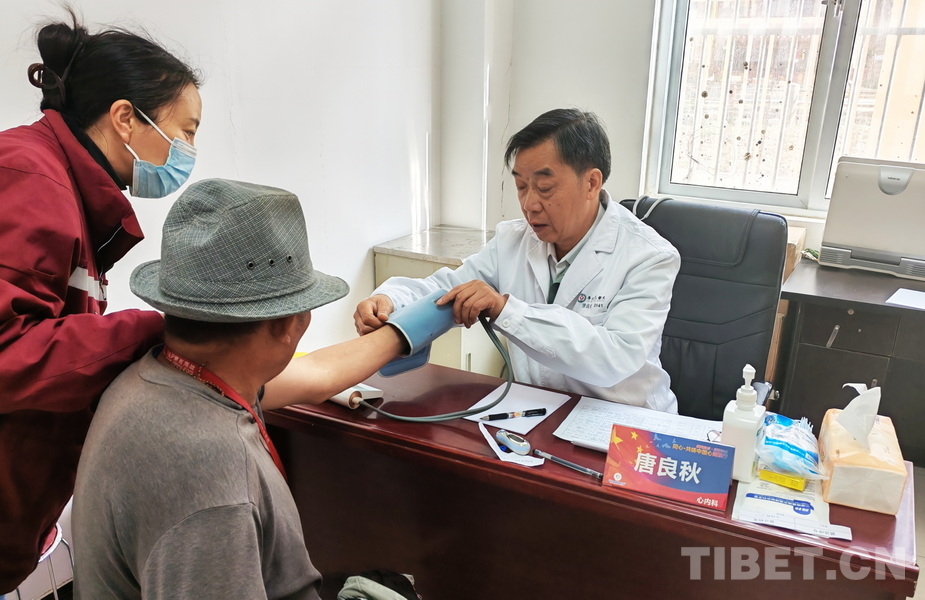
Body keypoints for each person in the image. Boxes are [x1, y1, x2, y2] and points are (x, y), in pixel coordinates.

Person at [72, 179, 409, 599]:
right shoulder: (213, 472)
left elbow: (319, 374)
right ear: (290, 323)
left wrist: (416, 325)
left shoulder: (161, 379)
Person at [0, 12, 202, 593]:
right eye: (186, 131)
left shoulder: (67, 191)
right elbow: (9, 351)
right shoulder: (30, 177)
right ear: (125, 117)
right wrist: (152, 331)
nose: (190, 150)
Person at [355, 108, 681, 413]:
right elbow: (446, 288)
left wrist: (505, 310)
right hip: (540, 408)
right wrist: (391, 300)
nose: (529, 204)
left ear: (591, 183)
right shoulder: (512, 239)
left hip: (622, 417)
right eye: (521, 186)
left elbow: (614, 359)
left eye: (544, 187)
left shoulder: (648, 255)